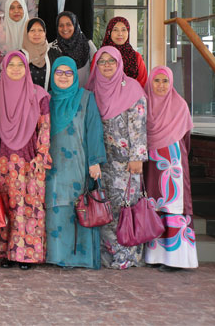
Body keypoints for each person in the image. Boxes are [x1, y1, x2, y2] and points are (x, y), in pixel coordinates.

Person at [86, 46, 147, 270]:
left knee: (126, 207)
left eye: (111, 61)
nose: (107, 65)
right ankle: (108, 254)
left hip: (126, 163)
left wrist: (137, 157)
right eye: (102, 62)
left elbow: (139, 126)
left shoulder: (132, 88)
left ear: (119, 63)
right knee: (104, 207)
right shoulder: (92, 88)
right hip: (101, 161)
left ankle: (127, 255)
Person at [0, 52, 52, 270]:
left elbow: (45, 127)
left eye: (20, 65)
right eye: (11, 65)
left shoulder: (38, 94)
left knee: (28, 207)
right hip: (3, 160)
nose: (16, 69)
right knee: (6, 205)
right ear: (4, 69)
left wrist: (41, 155)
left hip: (29, 160)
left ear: (26, 68)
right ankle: (7, 253)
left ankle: (26, 254)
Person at [45, 57, 106, 270]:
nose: (63, 76)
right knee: (55, 206)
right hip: (52, 167)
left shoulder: (86, 98)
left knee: (79, 206)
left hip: (78, 165)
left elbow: (94, 130)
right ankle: (56, 256)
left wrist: (95, 161)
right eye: (59, 72)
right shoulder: (46, 99)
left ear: (75, 75)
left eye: (68, 73)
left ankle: (79, 258)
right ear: (52, 75)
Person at [143, 66, 198, 271]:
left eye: (165, 81)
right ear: (150, 83)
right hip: (151, 164)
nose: (160, 85)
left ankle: (177, 260)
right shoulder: (145, 104)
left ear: (171, 83)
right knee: (154, 206)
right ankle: (155, 256)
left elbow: (187, 141)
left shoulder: (180, 105)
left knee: (174, 208)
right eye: (156, 81)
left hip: (173, 166)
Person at [48, 11, 96, 88]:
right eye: (61, 25)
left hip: (85, 93)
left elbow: (97, 70)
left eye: (68, 24)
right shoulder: (51, 48)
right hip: (61, 93)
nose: (65, 28)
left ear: (75, 25)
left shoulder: (88, 45)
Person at [97, 17, 147, 87]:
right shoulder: (100, 56)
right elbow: (94, 81)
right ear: (109, 32)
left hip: (132, 93)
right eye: (115, 30)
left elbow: (143, 83)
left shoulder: (136, 57)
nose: (120, 34)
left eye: (123, 30)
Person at [21, 18, 60, 90]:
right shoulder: (19, 56)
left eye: (40, 30)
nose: (36, 34)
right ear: (26, 33)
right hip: (25, 97)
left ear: (45, 33)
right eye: (32, 30)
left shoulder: (55, 54)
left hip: (50, 96)